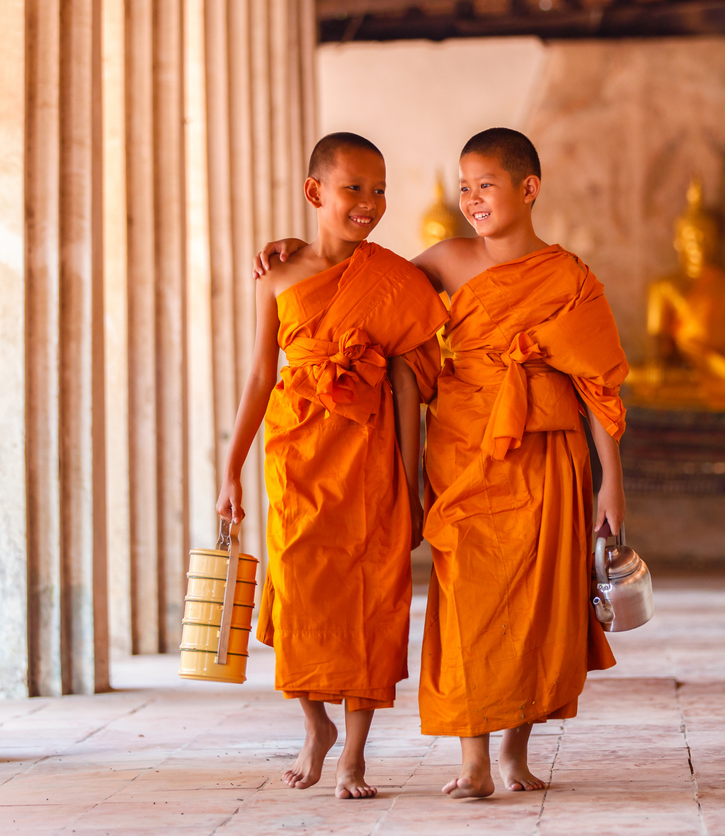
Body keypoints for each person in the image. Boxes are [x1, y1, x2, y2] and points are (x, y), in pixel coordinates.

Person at [255, 126, 628, 800]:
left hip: (547, 450)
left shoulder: (570, 278)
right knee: (466, 602)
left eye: (485, 185)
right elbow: (358, 277)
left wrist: (613, 489)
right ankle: (474, 758)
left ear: (528, 188)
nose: (473, 199)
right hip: (461, 451)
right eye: (465, 188)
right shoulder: (447, 260)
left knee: (540, 605)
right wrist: (294, 246)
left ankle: (514, 752)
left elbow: (598, 386)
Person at [219, 132, 448, 800]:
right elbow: (262, 374)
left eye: (379, 190)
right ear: (316, 193)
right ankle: (314, 725)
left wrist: (411, 481)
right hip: (296, 460)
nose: (369, 203)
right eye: (354, 188)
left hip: (370, 457)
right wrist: (230, 468)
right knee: (298, 595)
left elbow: (408, 387)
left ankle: (353, 754)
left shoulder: (395, 280)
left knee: (371, 601)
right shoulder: (279, 274)